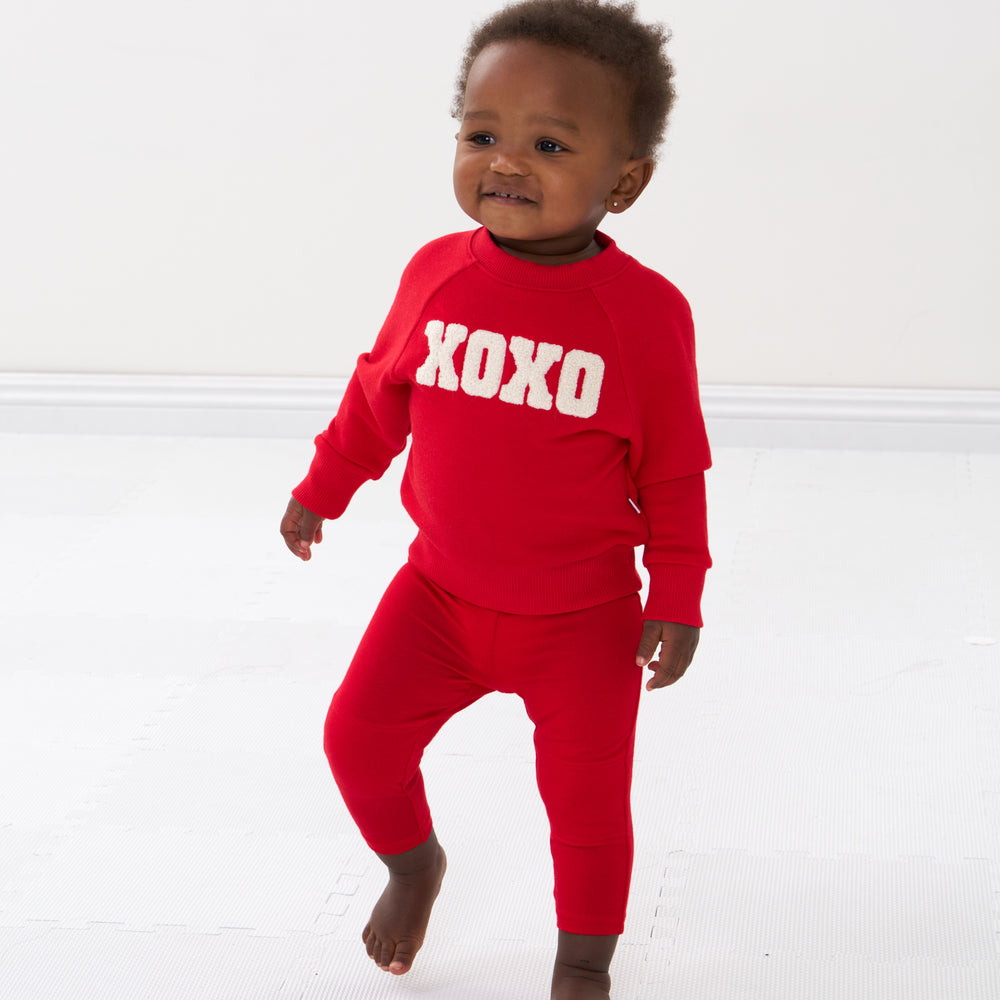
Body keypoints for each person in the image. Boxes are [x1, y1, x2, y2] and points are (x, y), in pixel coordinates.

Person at [280, 1, 711, 996]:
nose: (505, 161)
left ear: (625, 181)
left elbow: (674, 470)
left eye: (549, 142)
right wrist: (322, 487)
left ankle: (580, 965)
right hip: (437, 597)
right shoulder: (436, 274)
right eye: (482, 134)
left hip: (583, 623)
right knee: (355, 737)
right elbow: (377, 395)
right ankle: (411, 863)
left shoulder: (642, 316)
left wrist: (676, 593)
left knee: (588, 806)